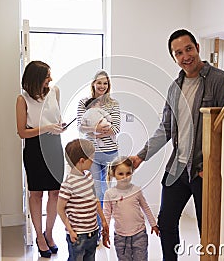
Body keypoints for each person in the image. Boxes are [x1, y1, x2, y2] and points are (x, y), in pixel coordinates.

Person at [130, 29, 224, 260]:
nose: (185, 56)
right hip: (177, 169)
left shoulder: (221, 81)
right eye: (178, 53)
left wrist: (215, 166)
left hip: (203, 171)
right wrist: (141, 156)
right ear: (174, 57)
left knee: (207, 229)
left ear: (197, 47)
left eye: (188, 49)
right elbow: (165, 128)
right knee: (166, 224)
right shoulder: (174, 87)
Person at [16, 60, 64, 258]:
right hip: (35, 148)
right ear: (36, 79)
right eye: (47, 76)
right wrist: (46, 128)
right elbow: (22, 132)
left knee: (55, 192)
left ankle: (49, 234)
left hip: (54, 145)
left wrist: (59, 126)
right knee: (36, 194)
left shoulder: (55, 92)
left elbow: (56, 118)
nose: (51, 79)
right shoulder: (22, 99)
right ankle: (39, 236)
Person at [77, 70, 121, 238]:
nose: (102, 86)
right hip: (92, 153)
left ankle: (111, 227)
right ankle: (98, 229)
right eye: (99, 83)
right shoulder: (84, 102)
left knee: (111, 192)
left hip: (111, 153)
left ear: (108, 85)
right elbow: (81, 127)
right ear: (93, 84)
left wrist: (95, 132)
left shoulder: (113, 104)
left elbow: (116, 128)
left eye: (105, 83)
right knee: (98, 192)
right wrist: (97, 130)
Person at [57, 138, 109, 261]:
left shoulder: (89, 177)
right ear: (82, 161)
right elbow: (60, 209)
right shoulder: (68, 184)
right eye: (91, 158)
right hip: (78, 235)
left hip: (93, 231)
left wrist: (103, 219)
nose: (93, 161)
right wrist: (70, 230)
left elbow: (94, 200)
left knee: (90, 257)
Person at [103, 156, 160, 261]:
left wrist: (153, 224)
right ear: (113, 174)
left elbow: (145, 207)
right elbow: (107, 214)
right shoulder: (109, 194)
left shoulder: (136, 190)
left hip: (139, 234)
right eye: (120, 174)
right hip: (120, 237)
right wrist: (105, 233)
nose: (125, 177)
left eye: (128, 173)